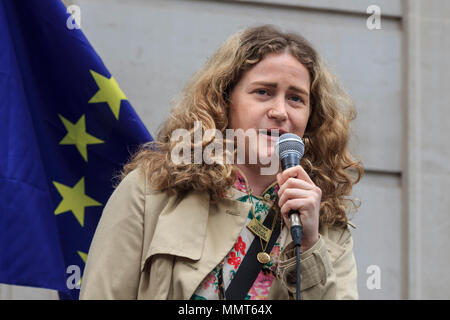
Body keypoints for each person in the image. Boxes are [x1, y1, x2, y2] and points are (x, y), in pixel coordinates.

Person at [79, 24, 363, 300]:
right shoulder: (151, 190)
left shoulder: (327, 225)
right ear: (225, 99)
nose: (279, 111)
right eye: (263, 91)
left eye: (295, 99)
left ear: (311, 117)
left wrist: (310, 245)